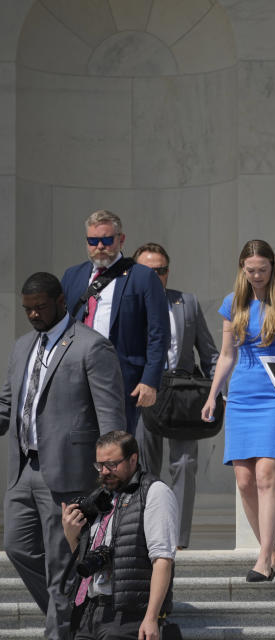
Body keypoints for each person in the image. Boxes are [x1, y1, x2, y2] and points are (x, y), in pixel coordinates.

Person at [0, 273, 126, 640]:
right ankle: (75, 611)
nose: (34, 315)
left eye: (40, 307)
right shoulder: (22, 346)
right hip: (24, 470)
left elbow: (111, 418)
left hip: (69, 474)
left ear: (60, 302)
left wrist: (111, 473)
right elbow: (8, 405)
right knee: (17, 548)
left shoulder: (91, 346)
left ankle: (61, 630)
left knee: (60, 566)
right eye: (28, 309)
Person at [201, 239, 275, 581]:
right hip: (241, 396)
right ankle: (272, 552)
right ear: (242, 269)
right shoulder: (232, 303)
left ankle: (263, 557)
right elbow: (226, 355)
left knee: (266, 476)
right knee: (244, 479)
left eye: (262, 270)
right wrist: (212, 394)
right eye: (250, 271)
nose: (257, 276)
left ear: (273, 267)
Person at [133, 242, 219, 550]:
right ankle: (145, 537)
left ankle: (177, 541)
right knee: (144, 467)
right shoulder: (128, 306)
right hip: (144, 394)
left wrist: (218, 392)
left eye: (162, 270)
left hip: (182, 395)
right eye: (148, 271)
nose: (156, 276)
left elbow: (209, 353)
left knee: (185, 463)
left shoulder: (188, 303)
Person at [61, 430, 179, 640]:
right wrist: (71, 535)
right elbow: (85, 563)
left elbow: (162, 559)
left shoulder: (154, 492)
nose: (104, 472)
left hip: (128, 614)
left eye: (111, 465)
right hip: (89, 611)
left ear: (133, 459)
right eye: (99, 465)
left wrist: (151, 618)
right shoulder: (99, 498)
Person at [61, 210, 171, 433]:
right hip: (76, 375)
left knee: (117, 445)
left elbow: (158, 333)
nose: (99, 246)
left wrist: (150, 381)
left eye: (106, 240)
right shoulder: (72, 276)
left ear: (121, 240)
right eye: (93, 241)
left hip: (123, 378)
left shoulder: (142, 276)